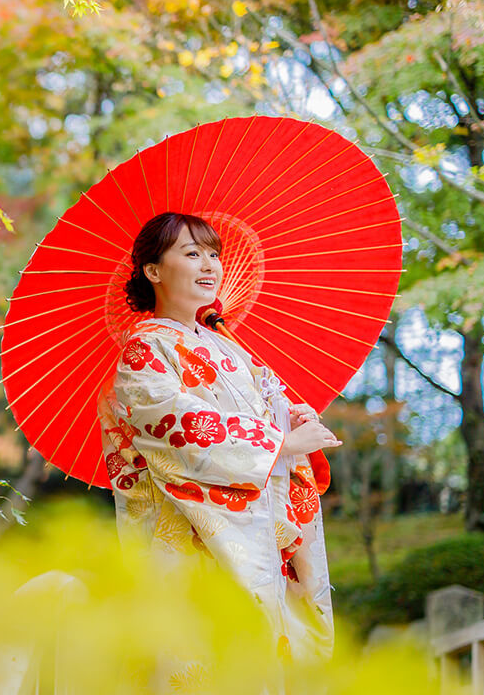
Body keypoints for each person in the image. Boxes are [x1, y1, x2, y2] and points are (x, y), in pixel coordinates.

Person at [97, 211, 339, 663]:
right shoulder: (144, 348)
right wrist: (278, 444)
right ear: (153, 271)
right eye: (192, 254)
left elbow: (263, 409)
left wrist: (290, 417)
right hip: (192, 534)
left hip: (258, 525)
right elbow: (176, 424)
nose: (210, 265)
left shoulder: (226, 344)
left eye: (213, 254)